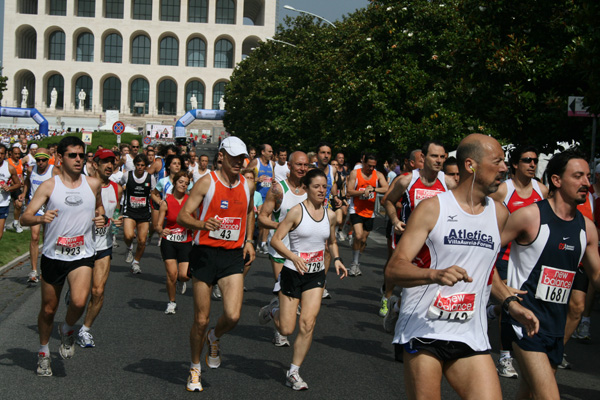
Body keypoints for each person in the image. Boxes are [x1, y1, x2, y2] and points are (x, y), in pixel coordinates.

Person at [384, 133, 538, 400]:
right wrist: (434, 274)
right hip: (424, 328)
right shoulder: (433, 209)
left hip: (470, 333)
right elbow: (394, 269)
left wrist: (511, 304)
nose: (504, 168)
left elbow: (486, 271)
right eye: (497, 161)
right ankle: (399, 309)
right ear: (471, 166)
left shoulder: (499, 213)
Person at [500, 150, 600, 399]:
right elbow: (486, 253)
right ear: (556, 180)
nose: (586, 183)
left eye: (588, 176)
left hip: (556, 325)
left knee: (529, 393)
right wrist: (502, 290)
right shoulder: (529, 216)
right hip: (524, 321)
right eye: (578, 176)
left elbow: (596, 275)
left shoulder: (587, 229)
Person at [20, 136, 106, 377]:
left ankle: (68, 329)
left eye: (81, 155)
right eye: (73, 155)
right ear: (61, 158)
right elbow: (24, 218)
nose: (79, 159)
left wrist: (102, 218)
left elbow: (99, 209)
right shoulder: (49, 186)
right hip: (54, 255)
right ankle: (44, 352)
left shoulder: (93, 184)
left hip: (82, 253)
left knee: (79, 302)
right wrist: (40, 218)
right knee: (48, 309)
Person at [176, 136, 256, 392]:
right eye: (233, 157)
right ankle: (195, 368)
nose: (238, 162)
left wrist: (249, 240)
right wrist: (202, 224)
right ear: (221, 156)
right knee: (201, 319)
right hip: (205, 255)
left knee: (233, 316)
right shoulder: (206, 182)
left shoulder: (247, 185)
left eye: (242, 158)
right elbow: (182, 215)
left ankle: (215, 336)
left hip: (232, 256)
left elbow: (250, 211)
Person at [259, 168, 348, 390]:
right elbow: (277, 240)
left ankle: (294, 372)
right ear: (306, 188)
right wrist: (292, 257)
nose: (321, 190)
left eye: (324, 187)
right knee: (287, 329)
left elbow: (332, 241)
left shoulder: (330, 214)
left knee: (308, 323)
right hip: (292, 272)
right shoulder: (296, 212)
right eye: (316, 186)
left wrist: (336, 259)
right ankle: (273, 311)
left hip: (316, 275)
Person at [489, 145, 548, 378]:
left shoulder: (542, 190)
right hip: (505, 257)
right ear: (515, 164)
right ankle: (505, 357)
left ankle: (492, 311)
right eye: (527, 160)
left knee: (528, 306)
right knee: (510, 305)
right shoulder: (504, 190)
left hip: (531, 261)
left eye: (535, 160)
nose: (532, 164)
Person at [382, 141, 456, 321]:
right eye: (434, 156)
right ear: (423, 157)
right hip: (408, 238)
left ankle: (401, 308)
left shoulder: (448, 182)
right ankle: (388, 298)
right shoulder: (407, 180)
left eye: (442, 157)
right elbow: (388, 200)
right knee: (401, 275)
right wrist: (395, 220)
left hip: (434, 242)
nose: (438, 160)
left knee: (426, 286)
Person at [258, 151, 309, 346]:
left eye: (305, 165)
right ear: (289, 165)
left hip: (304, 253)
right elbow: (262, 217)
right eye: (298, 165)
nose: (302, 168)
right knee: (286, 293)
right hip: (280, 251)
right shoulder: (278, 190)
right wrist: (280, 226)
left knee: (300, 301)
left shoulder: (311, 189)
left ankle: (274, 309)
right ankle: (280, 330)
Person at [77, 149, 123, 348]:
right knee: (81, 294)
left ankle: (85, 330)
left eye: (112, 161)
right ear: (95, 164)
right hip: (82, 247)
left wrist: (116, 224)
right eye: (105, 161)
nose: (109, 165)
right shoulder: (82, 185)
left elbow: (116, 211)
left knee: (98, 291)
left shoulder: (117, 188)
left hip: (104, 246)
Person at [156, 170, 193, 314]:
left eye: (186, 183)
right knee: (171, 274)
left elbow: (196, 220)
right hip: (169, 241)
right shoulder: (166, 202)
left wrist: (193, 227)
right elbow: (158, 224)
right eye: (181, 182)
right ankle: (171, 302)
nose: (183, 185)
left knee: (184, 275)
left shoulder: (190, 202)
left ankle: (180, 281)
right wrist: (161, 231)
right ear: (174, 183)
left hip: (185, 240)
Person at [346, 153, 389, 276]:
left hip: (370, 212)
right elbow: (349, 191)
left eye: (373, 166)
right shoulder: (356, 174)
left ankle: (357, 262)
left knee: (364, 240)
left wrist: (373, 189)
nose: (371, 169)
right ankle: (354, 264)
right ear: (363, 162)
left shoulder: (378, 175)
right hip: (356, 209)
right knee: (358, 236)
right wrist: (361, 192)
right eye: (369, 166)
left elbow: (386, 188)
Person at [20, 148, 56, 282]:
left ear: (48, 159)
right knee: (34, 237)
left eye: (43, 160)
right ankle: (34, 270)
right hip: (34, 206)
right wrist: (24, 193)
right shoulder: (31, 170)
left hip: (48, 207)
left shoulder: (54, 170)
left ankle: (45, 268)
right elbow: (27, 182)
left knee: (47, 238)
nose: (40, 163)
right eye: (38, 160)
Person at [121, 154, 156, 274]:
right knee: (128, 235)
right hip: (130, 210)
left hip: (144, 212)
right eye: (138, 165)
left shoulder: (150, 178)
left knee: (142, 240)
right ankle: (129, 248)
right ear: (135, 165)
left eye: (142, 165)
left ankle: (136, 262)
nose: (140, 167)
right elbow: (120, 186)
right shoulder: (127, 175)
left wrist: (160, 203)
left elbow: (154, 193)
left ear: (146, 166)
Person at [249, 144, 274, 253]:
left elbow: (273, 178)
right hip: (257, 196)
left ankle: (263, 243)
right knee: (256, 222)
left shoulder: (272, 164)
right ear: (263, 152)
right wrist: (256, 179)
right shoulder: (256, 162)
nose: (271, 154)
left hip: (268, 197)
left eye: (272, 152)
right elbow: (245, 173)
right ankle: (254, 240)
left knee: (267, 221)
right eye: (269, 151)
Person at [0, 144, 22, 242]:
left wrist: (9, 188)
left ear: (5, 154)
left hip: (3, 203)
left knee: (0, 234)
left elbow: (18, 184)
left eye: (1, 153)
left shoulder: (10, 168)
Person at [8, 145, 25, 233]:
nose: (17, 155)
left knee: (19, 204)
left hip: (17, 186)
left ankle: (15, 222)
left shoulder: (20, 162)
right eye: (16, 154)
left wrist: (22, 181)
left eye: (19, 154)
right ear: (11, 153)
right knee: (4, 206)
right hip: (8, 186)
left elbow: (21, 174)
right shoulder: (7, 162)